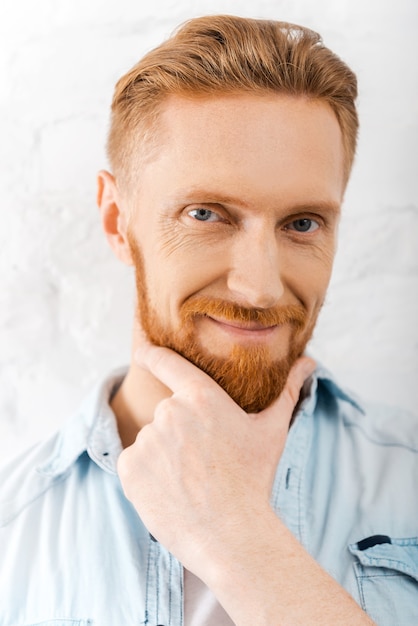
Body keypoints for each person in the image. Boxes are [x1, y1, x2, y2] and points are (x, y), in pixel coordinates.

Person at [0, 14, 417, 626]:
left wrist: (239, 540)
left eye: (302, 223)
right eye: (206, 214)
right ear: (118, 221)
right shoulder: (14, 528)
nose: (261, 287)